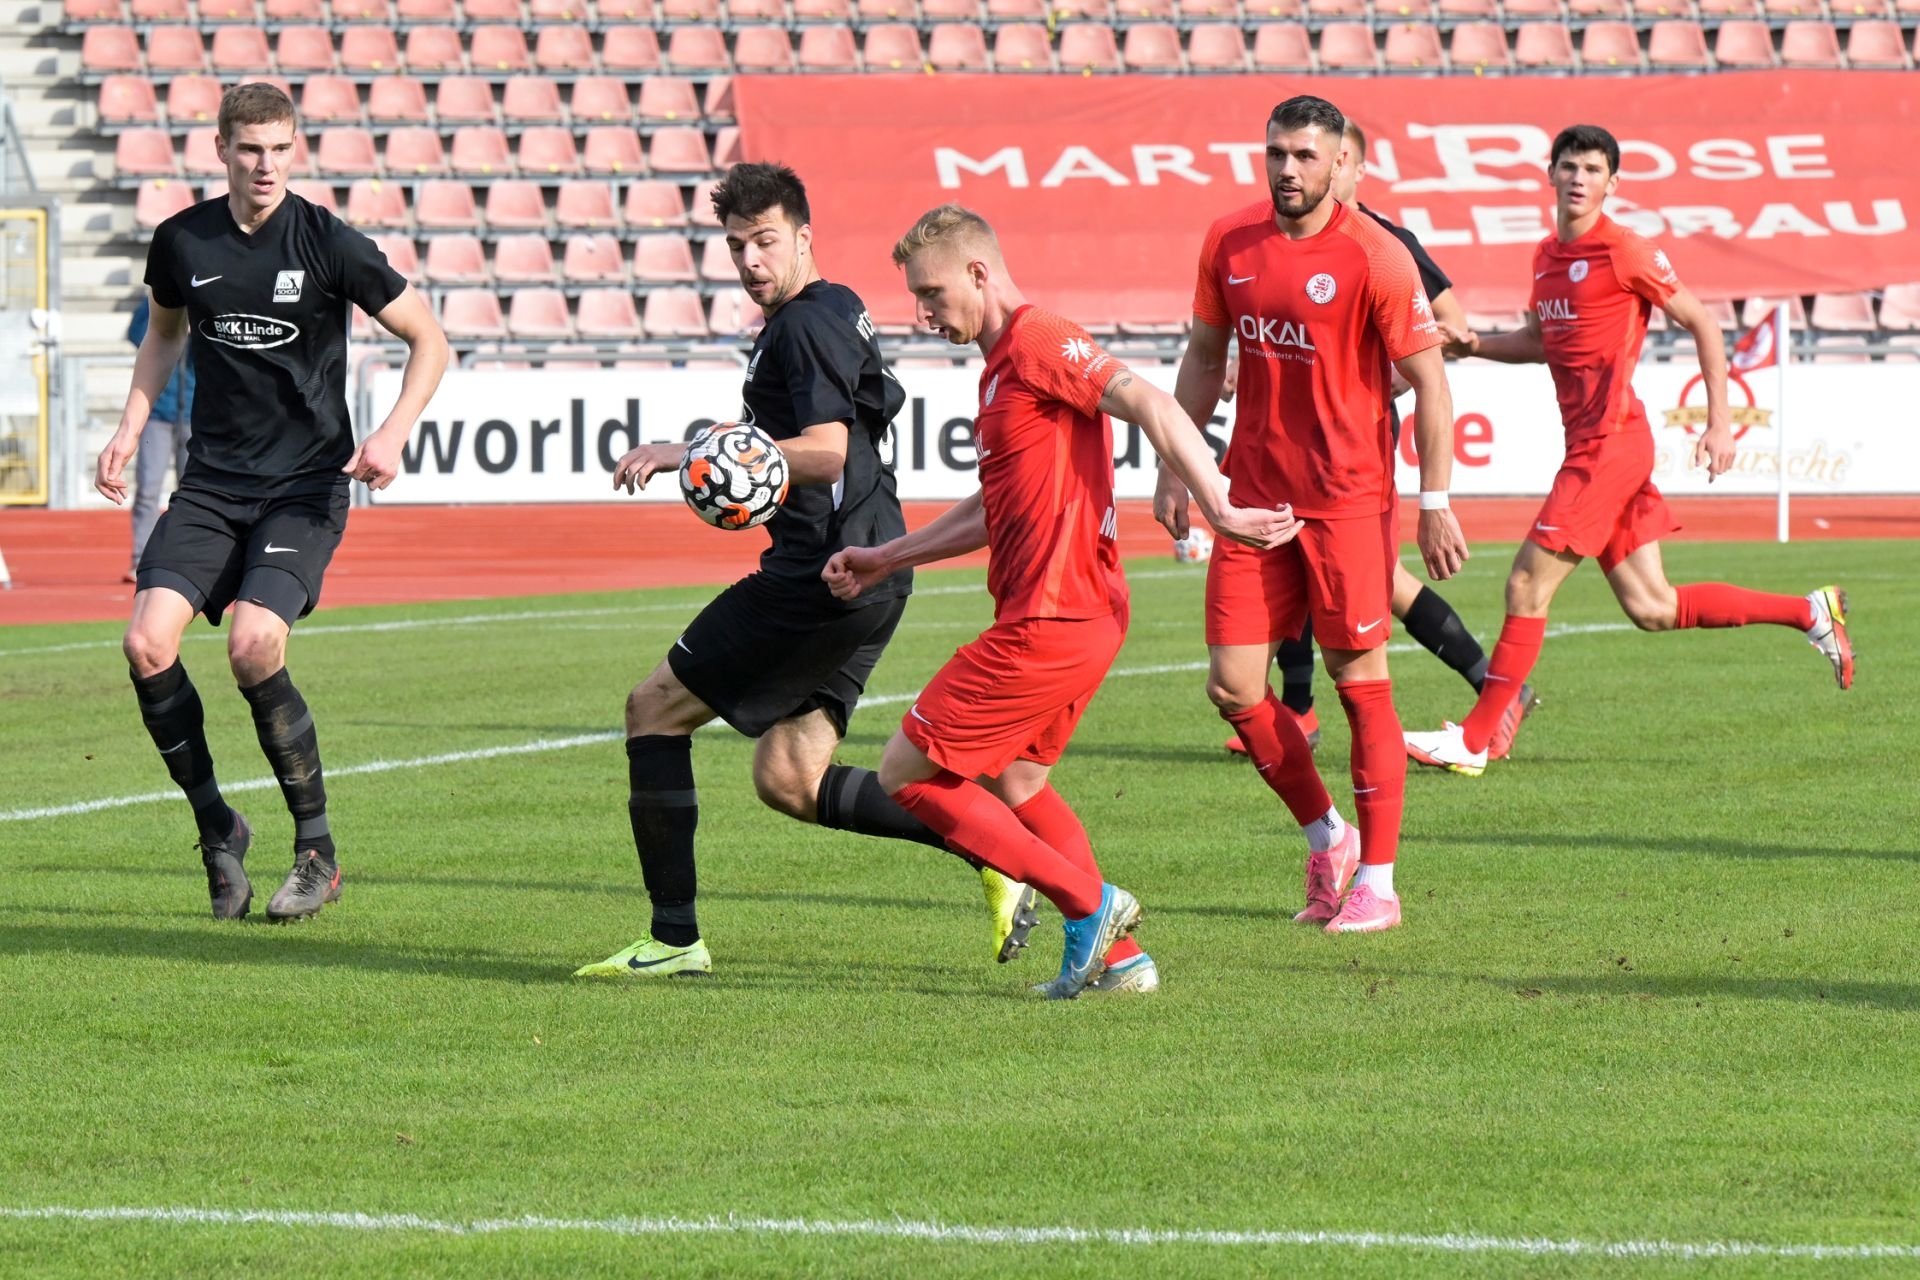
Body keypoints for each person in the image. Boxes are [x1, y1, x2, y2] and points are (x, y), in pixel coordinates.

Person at [825, 204, 1298, 999]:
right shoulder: (1001, 369)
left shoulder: (1039, 339)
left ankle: (1092, 904)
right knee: (1019, 783)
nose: (925, 314)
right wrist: (886, 557)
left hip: (1054, 617)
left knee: (906, 772)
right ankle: (1120, 962)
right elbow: (990, 508)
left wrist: (1217, 504)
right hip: (1076, 615)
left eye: (933, 294)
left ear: (980, 273)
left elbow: (1148, 398)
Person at [575, 164, 1034, 981]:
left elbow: (823, 454)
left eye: (765, 242)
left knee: (652, 708)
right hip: (874, 570)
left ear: (803, 238)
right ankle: (998, 850)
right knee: (789, 778)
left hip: (822, 577)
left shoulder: (800, 327)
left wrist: (716, 453)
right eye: (735, 246)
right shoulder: (837, 306)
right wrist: (695, 450)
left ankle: (673, 938)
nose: (750, 260)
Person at [94, 82, 449, 921]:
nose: (267, 164)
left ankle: (317, 852)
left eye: (281, 148)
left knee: (254, 645)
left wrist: (393, 432)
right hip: (213, 483)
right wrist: (126, 427)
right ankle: (220, 829)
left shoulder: (328, 242)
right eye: (251, 148)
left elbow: (430, 339)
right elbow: (164, 335)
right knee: (146, 644)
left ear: (297, 149)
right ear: (221, 147)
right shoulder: (182, 240)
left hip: (306, 486)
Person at [1403, 124, 1852, 777]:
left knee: (1526, 583)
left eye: (1592, 169)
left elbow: (1702, 321)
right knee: (1653, 607)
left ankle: (1474, 740)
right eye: (1569, 166)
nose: (1579, 178)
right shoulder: (1544, 256)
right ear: (1550, 173)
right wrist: (1473, 345)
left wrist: (1719, 422)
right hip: (1595, 445)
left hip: (1610, 445)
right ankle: (1812, 612)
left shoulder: (1626, 250)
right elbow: (1543, 343)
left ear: (1611, 183)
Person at [1155, 95, 1469, 935]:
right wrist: (1177, 470)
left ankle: (1381, 881)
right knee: (1233, 687)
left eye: (1303, 155)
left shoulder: (1379, 255)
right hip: (1252, 497)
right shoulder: (1230, 239)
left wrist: (1435, 503)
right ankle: (1329, 835)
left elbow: (1433, 384)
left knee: (1359, 683)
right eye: (1275, 154)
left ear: (1339, 163)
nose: (1287, 169)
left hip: (1349, 502)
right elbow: (1202, 355)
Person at [1222, 119, 1539, 761]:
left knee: (1364, 578)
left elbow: (1448, 325)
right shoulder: (1273, 241)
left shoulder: (1384, 243)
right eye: (1285, 157)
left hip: (1350, 446)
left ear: (1351, 168)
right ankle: (1308, 707)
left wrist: (1369, 381)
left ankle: (1478, 688)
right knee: (1320, 564)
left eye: (1326, 163)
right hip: (1286, 448)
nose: (1307, 174)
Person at [123, 296, 194, 584]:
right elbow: (139, 335)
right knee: (148, 488)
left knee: (193, 490)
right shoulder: (156, 297)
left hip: (194, 410)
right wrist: (171, 329)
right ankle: (140, 557)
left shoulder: (209, 299)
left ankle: (188, 559)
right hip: (157, 411)